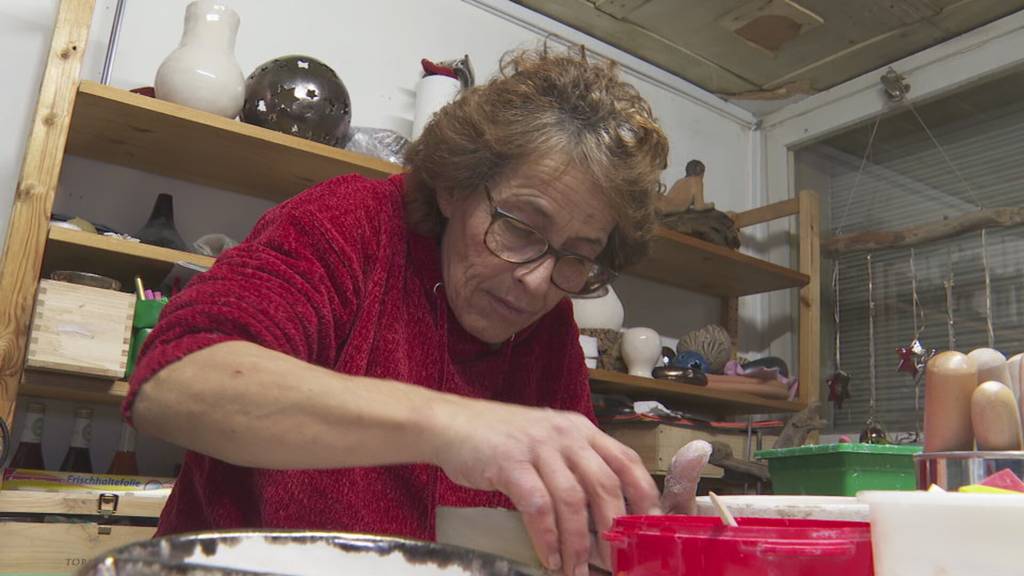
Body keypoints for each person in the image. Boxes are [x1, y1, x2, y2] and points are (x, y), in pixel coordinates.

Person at [126, 47, 706, 576]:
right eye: (522, 227)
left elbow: (550, 528)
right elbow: (174, 383)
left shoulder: (547, 317)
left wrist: (628, 541)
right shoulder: (351, 224)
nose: (536, 282)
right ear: (455, 188)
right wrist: (458, 425)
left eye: (578, 257)